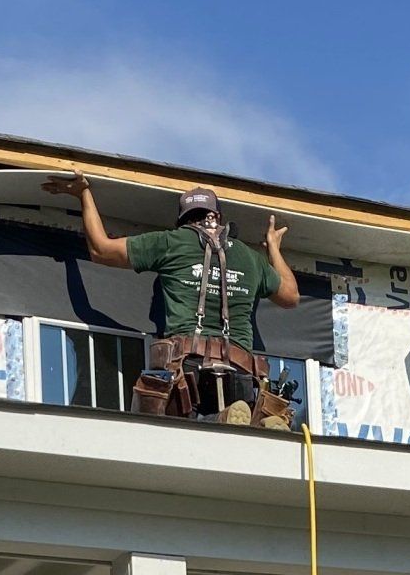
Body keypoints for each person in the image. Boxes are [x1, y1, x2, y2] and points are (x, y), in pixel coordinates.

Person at [50, 173, 299, 423]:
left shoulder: (171, 242)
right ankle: (240, 420)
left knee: (179, 431)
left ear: (184, 220)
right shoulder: (250, 258)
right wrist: (273, 249)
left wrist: (84, 194)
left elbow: (100, 249)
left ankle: (219, 420)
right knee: (231, 439)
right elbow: (290, 296)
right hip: (242, 373)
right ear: (218, 217)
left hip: (188, 369)